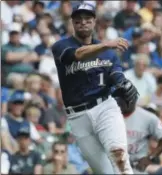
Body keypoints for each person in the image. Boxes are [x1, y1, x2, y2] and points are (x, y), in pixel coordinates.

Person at [51, 2, 139, 174]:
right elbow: (77, 54)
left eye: (87, 19)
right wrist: (106, 44)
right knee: (104, 172)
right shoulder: (61, 46)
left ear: (94, 21)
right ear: (72, 22)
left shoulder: (108, 53)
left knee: (120, 161)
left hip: (105, 108)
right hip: (77, 116)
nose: (83, 22)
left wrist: (122, 83)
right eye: (78, 19)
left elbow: (116, 73)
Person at [116, 97, 162, 174]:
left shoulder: (148, 116)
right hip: (114, 165)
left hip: (136, 166)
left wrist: (150, 158)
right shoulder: (110, 115)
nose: (126, 101)